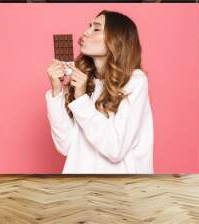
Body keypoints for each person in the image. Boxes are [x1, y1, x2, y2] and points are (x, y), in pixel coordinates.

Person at [45, 10, 154, 174]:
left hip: (119, 191)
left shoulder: (135, 81)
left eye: (96, 29)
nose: (85, 32)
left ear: (117, 39)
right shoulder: (84, 81)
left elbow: (115, 149)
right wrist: (56, 92)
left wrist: (81, 98)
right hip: (79, 188)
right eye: (88, 27)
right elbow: (66, 146)